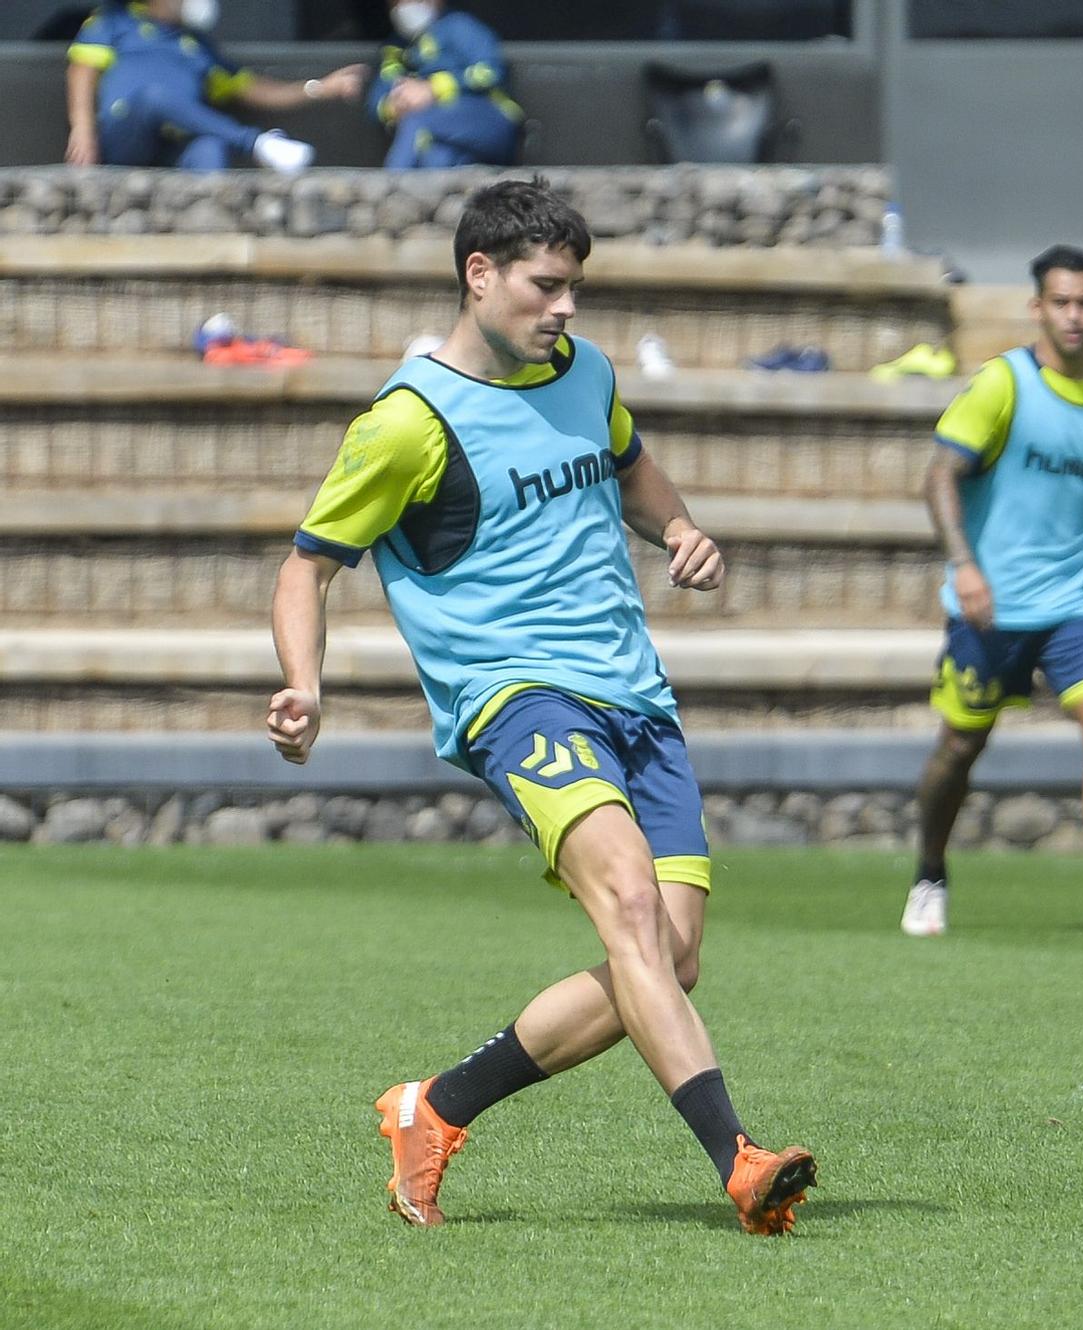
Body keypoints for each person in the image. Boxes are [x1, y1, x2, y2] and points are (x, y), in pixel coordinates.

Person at [267, 178, 815, 1235]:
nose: (565, 308)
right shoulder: (406, 424)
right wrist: (307, 683)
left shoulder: (586, 372)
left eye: (574, 287)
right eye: (546, 286)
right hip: (517, 698)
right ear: (480, 276)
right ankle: (738, 1159)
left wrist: (684, 532)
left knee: (667, 953)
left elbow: (633, 471)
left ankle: (434, 1107)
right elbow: (307, 568)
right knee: (627, 909)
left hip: (637, 698)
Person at [903, 244, 1083, 938]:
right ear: (1038, 307)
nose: (1075, 315)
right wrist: (964, 566)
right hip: (994, 604)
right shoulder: (1004, 384)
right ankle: (929, 873)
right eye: (1061, 302)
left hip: (1082, 602)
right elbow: (939, 476)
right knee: (960, 747)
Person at [64, 1, 365, 172]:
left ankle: (214, 234)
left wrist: (321, 88)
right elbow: (81, 72)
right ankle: (256, 143)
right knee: (154, 96)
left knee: (210, 147)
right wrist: (82, 128)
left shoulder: (198, 46)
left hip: (174, 147)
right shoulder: (113, 21)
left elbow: (256, 90)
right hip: (124, 138)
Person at [370, 1, 523, 170]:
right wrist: (394, 106)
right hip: (444, 138)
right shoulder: (396, 46)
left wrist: (433, 88)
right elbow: (376, 100)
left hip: (491, 121)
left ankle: (390, 187)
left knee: (418, 121)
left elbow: (490, 71)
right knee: (438, 157)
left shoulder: (460, 26)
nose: (406, 5)